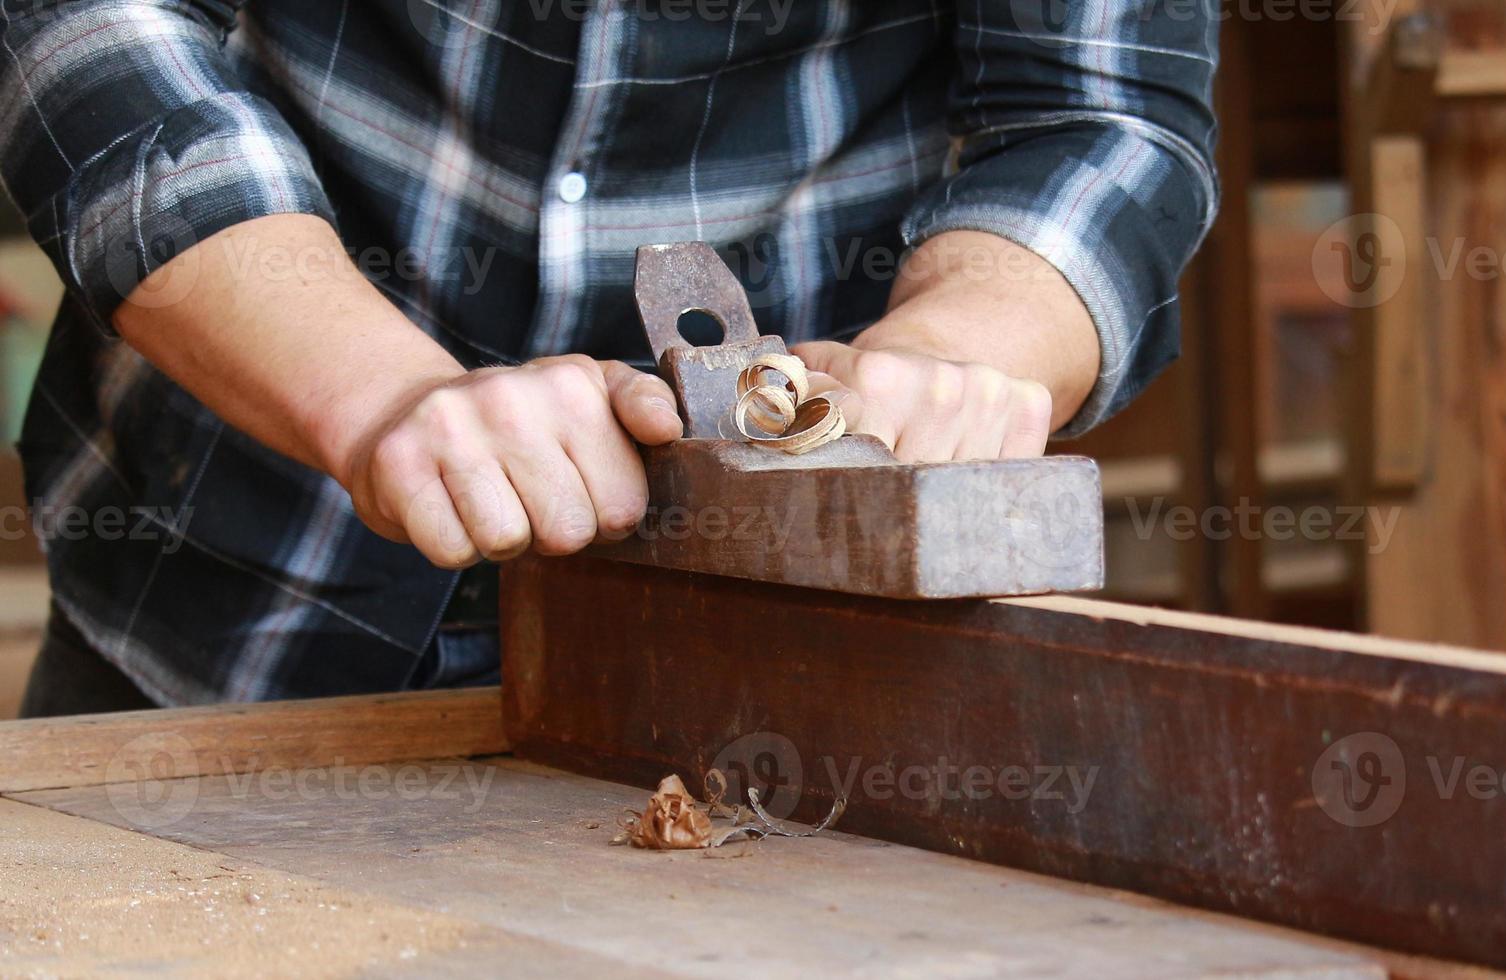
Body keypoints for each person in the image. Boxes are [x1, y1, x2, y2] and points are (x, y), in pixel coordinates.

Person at [0, 1, 1218, 714]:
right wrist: (373, 392)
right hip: (229, 595)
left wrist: (963, 339)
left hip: (793, 664)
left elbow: (1101, 113)